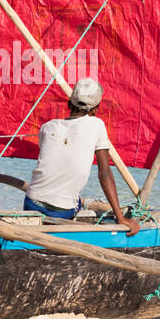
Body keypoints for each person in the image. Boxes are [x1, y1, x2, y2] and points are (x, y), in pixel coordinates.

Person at [23, 78, 140, 236]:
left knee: (75, 199)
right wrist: (120, 217)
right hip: (61, 210)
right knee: (78, 203)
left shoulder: (47, 127)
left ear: (69, 104)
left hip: (31, 201)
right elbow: (104, 173)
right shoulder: (96, 125)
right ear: (95, 110)